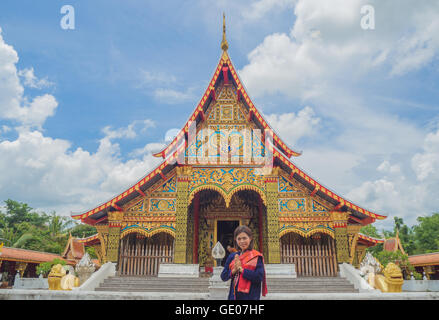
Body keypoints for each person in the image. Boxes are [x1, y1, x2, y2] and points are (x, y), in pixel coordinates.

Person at [221, 225, 267, 300]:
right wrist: (234, 270)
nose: (242, 241)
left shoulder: (256, 256)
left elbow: (259, 277)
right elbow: (223, 276)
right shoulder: (232, 256)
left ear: (250, 238)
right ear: (236, 240)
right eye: (239, 239)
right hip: (234, 297)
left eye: (244, 238)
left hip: (251, 296)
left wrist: (242, 270)